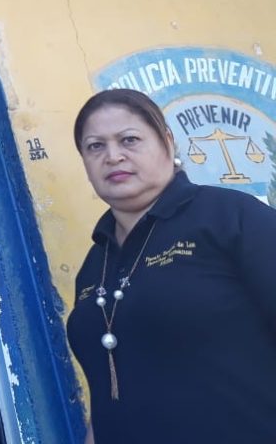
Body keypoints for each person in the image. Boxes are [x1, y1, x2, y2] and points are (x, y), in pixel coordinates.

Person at [66, 89, 276, 444]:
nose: (113, 156)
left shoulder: (230, 218)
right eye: (95, 146)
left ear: (167, 142)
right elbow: (107, 394)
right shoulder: (95, 264)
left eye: (129, 140)